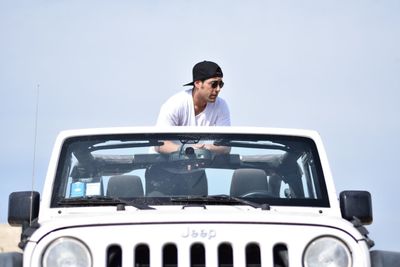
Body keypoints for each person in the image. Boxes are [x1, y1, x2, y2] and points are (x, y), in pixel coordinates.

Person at [155, 60, 231, 153]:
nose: (218, 89)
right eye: (213, 84)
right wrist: (187, 151)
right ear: (197, 83)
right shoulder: (175, 104)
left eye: (221, 84)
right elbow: (159, 145)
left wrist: (206, 148)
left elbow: (226, 147)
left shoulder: (221, 106)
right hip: (161, 164)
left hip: (195, 164)